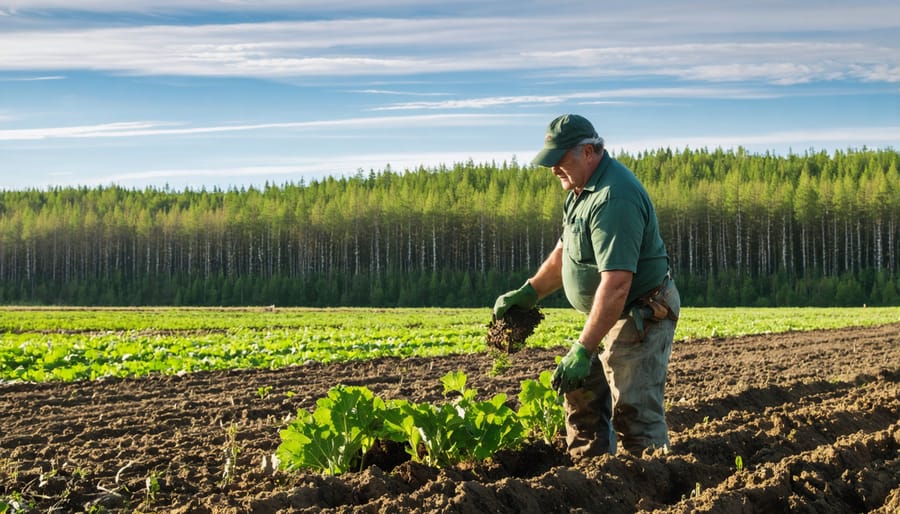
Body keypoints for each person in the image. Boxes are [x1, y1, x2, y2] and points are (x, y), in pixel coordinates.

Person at [493, 114, 680, 458]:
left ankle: (651, 486)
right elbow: (566, 251)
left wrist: (583, 348)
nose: (553, 170)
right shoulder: (580, 190)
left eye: (559, 160)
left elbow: (618, 284)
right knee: (581, 396)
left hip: (640, 310)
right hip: (611, 309)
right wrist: (530, 291)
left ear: (589, 152)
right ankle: (592, 479)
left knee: (634, 410)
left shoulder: (614, 198)